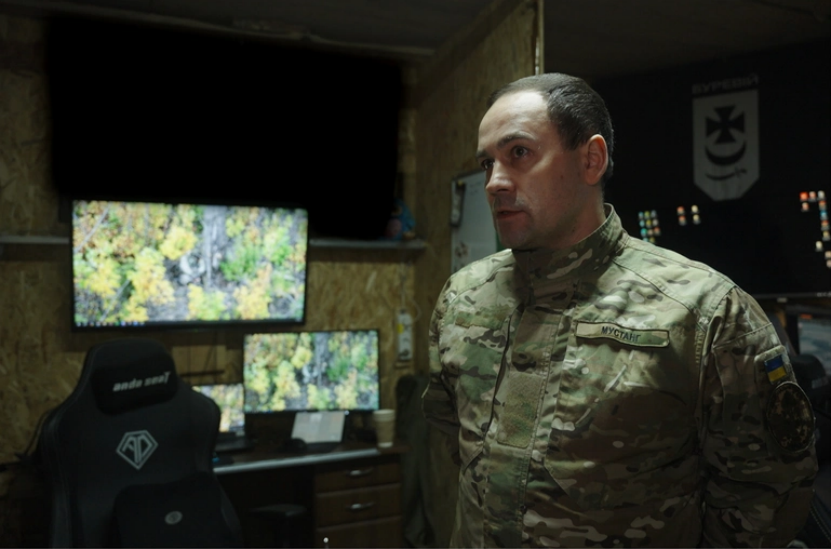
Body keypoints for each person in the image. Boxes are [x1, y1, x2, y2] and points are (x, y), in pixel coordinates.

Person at [422, 73, 818, 548]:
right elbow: (456, 439)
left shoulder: (703, 312)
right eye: (488, 163)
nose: (495, 182)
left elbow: (766, 496)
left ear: (591, 160)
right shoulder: (463, 297)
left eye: (519, 153)